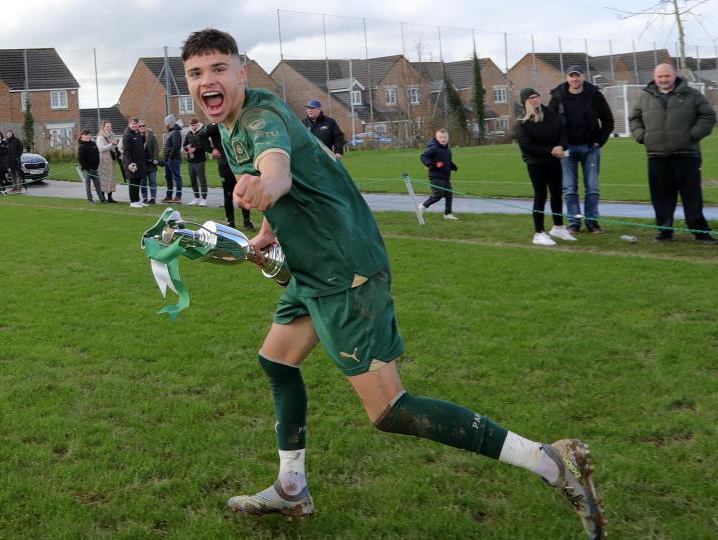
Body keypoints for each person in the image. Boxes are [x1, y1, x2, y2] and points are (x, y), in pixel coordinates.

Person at [181, 28, 606, 539]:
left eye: (218, 69)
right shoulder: (232, 120)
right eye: (196, 73)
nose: (208, 80)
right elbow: (302, 175)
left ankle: (549, 460)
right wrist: (268, 232)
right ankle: (292, 488)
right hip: (314, 267)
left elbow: (279, 172)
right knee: (276, 361)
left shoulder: (259, 117)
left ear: (241, 71)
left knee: (389, 409)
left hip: (345, 270)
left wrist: (266, 187)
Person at [629, 63, 718, 245]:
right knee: (661, 197)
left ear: (674, 75)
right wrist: (642, 137)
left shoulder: (692, 94)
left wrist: (691, 136)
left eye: (667, 76)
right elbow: (634, 118)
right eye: (660, 77)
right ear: (655, 77)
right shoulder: (645, 97)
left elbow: (708, 116)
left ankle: (700, 232)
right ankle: (664, 231)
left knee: (692, 196)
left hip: (687, 154)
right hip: (656, 155)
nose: (663, 80)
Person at [548, 66, 614, 233]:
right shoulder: (557, 96)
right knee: (570, 189)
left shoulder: (594, 95)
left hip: (590, 148)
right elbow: (551, 123)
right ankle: (574, 223)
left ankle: (592, 222)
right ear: (567, 78)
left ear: (583, 77)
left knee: (592, 188)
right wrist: (558, 144)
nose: (575, 80)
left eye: (577, 76)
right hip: (567, 150)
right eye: (571, 76)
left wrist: (599, 141)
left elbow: (608, 120)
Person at [515, 88, 576, 246]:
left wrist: (561, 146)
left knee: (556, 194)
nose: (535, 100)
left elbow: (562, 129)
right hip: (536, 164)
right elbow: (528, 145)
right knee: (540, 195)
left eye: (536, 96)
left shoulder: (549, 113)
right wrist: (551, 150)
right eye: (531, 98)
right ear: (525, 101)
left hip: (553, 161)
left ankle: (558, 227)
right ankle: (539, 233)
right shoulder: (522, 122)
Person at [206, 121, 254, 229]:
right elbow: (199, 138)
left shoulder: (237, 122)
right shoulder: (215, 127)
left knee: (243, 192)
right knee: (228, 194)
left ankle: (247, 222)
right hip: (225, 165)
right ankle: (231, 222)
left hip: (240, 164)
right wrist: (211, 150)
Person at [418, 128, 459, 220]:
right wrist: (430, 164)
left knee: (449, 194)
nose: (442, 139)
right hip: (435, 175)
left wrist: (453, 166)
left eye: (444, 137)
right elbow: (423, 156)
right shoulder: (434, 148)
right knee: (438, 195)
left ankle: (448, 214)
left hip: (446, 176)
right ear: (436, 138)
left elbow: (447, 161)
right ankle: (423, 205)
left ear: (448, 138)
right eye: (440, 137)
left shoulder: (448, 149)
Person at [121, 117, 148, 208]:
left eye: (136, 124)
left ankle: (137, 200)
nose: (134, 125)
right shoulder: (127, 135)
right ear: (129, 124)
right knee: (133, 182)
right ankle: (132, 201)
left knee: (138, 182)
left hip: (140, 164)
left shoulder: (138, 134)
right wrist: (130, 163)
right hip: (132, 164)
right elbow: (126, 152)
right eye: (132, 124)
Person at [184, 117, 209, 206]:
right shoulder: (188, 134)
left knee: (202, 180)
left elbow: (205, 146)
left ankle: (204, 199)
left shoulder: (202, 133)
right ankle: (196, 197)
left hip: (200, 161)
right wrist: (187, 148)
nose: (193, 127)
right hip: (190, 161)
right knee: (193, 180)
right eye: (192, 125)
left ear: (198, 124)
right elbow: (184, 145)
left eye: (195, 125)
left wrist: (195, 149)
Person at [161, 114, 184, 203]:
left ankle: (178, 196)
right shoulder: (171, 132)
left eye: (166, 123)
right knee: (168, 178)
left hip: (173, 159)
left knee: (176, 177)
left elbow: (176, 146)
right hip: (168, 160)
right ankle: (169, 195)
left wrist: (170, 158)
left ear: (169, 123)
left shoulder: (175, 132)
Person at [78, 130, 105, 204]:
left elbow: (97, 154)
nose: (88, 136)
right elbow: (81, 159)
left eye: (89, 134)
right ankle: (90, 199)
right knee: (88, 185)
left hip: (95, 168)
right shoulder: (81, 146)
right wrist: (86, 168)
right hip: (87, 169)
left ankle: (102, 198)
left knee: (97, 184)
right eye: (86, 134)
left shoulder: (93, 143)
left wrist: (97, 164)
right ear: (82, 136)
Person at [97, 121, 119, 203]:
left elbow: (113, 148)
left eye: (110, 126)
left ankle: (110, 198)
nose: (109, 128)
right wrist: (111, 144)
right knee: (103, 179)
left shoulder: (112, 136)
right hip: (103, 161)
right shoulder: (100, 137)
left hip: (110, 161)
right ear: (103, 127)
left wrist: (116, 145)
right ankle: (102, 198)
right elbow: (101, 149)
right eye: (107, 126)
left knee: (111, 179)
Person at [140, 121, 160, 205]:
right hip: (142, 164)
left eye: (143, 125)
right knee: (143, 182)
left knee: (153, 181)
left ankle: (153, 198)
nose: (142, 127)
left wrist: (155, 159)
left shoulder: (151, 135)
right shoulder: (136, 136)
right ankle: (144, 198)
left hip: (151, 163)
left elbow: (156, 148)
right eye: (140, 126)